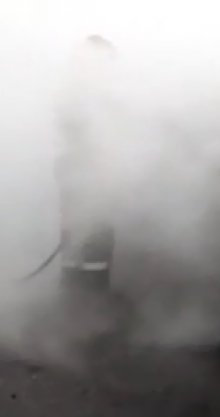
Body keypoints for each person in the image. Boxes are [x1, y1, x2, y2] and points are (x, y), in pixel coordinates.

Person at [55, 35, 118, 287]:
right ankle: (87, 295)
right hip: (84, 175)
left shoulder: (80, 91)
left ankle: (79, 294)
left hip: (79, 174)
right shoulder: (89, 94)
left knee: (82, 236)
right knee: (89, 237)